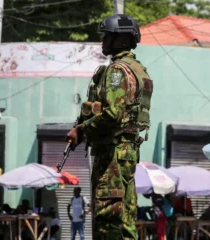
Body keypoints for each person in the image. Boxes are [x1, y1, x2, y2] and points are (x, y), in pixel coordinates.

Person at [65, 13, 153, 239]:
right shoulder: (138, 69)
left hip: (112, 154)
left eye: (108, 37)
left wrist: (82, 130)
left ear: (123, 40)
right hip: (128, 152)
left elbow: (114, 114)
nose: (103, 41)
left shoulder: (117, 71)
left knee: (107, 221)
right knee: (124, 221)